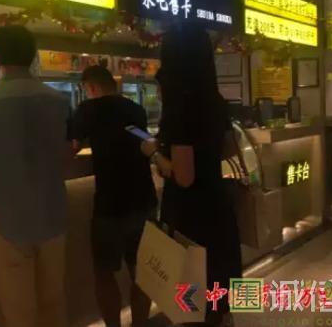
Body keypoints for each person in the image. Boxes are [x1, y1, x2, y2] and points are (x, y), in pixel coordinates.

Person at [0, 25, 72, 327]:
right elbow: (66, 156)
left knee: (20, 313)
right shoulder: (60, 101)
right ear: (33, 55)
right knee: (54, 304)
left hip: (7, 223)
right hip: (53, 216)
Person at [142, 25, 241, 327]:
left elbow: (184, 176)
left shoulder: (180, 109)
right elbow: (228, 149)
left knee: (190, 305)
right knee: (215, 298)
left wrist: (154, 153)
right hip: (218, 210)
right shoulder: (215, 101)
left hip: (191, 219)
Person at [72, 65, 157, 327]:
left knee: (104, 273)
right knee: (142, 273)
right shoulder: (135, 109)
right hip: (143, 199)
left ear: (91, 87)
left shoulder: (88, 110)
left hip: (110, 205)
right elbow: (143, 141)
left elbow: (72, 147)